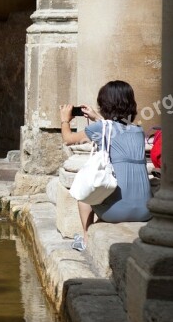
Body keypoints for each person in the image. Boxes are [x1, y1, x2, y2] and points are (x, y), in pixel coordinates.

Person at [60, 80, 152, 251]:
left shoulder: (100, 128)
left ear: (104, 104)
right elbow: (116, 129)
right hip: (145, 211)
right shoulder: (138, 131)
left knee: (84, 195)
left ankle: (87, 238)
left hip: (115, 213)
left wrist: (65, 120)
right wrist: (98, 119)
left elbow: (68, 139)